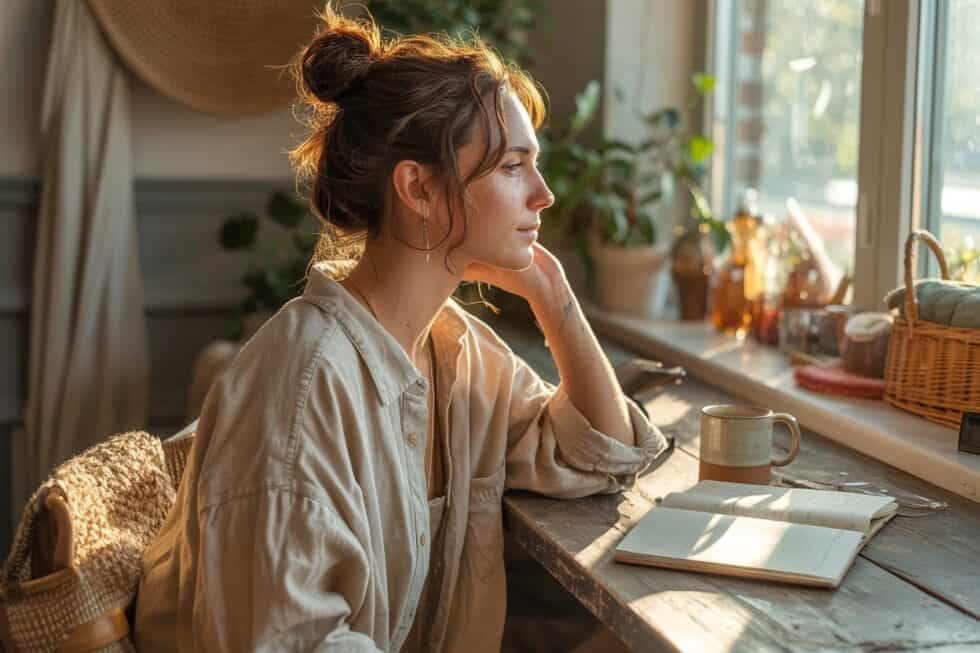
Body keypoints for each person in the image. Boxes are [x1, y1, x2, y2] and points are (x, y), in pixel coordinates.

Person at [133, 5, 668, 652]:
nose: (544, 194)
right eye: (511, 166)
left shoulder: (457, 354)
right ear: (417, 187)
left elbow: (602, 452)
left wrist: (554, 296)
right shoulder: (302, 384)